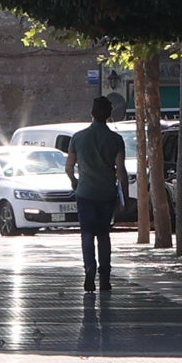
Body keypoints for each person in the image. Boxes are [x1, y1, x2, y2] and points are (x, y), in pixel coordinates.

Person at [60, 96, 128, 294]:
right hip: (106, 193)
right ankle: (105, 276)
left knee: (87, 234)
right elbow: (121, 170)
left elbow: (69, 167)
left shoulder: (78, 138)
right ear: (109, 115)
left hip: (85, 193)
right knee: (104, 235)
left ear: (92, 113)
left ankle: (89, 266)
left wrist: (74, 182)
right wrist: (123, 195)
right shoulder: (116, 139)